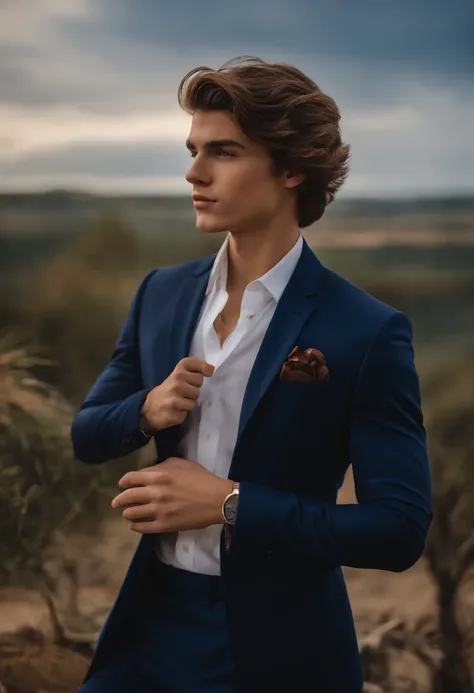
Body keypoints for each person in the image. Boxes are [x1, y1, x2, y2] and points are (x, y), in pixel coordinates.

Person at [72, 56, 432, 693]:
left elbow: (398, 531)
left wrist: (230, 504)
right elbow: (87, 435)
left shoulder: (367, 331)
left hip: (277, 649)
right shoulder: (160, 294)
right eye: (194, 150)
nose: (194, 172)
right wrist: (145, 409)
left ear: (292, 168)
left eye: (225, 152)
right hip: (147, 630)